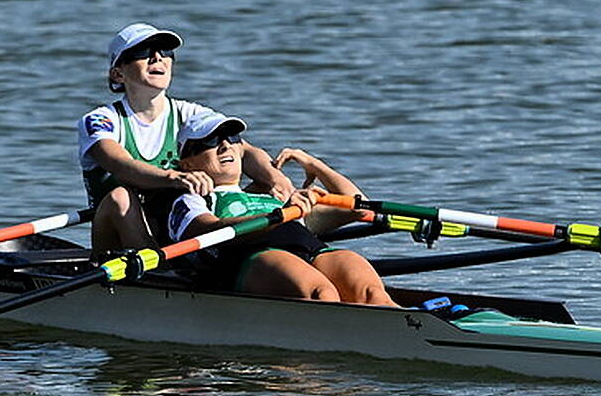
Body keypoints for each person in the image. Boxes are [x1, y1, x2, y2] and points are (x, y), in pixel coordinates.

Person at [77, 23, 294, 258]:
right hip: (119, 241)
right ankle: (161, 276)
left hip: (176, 230)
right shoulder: (101, 120)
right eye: (143, 52)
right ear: (118, 73)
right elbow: (121, 165)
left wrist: (275, 179)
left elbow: (244, 151)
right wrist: (175, 178)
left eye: (165, 52)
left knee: (256, 184)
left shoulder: (189, 114)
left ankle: (262, 251)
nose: (157, 58)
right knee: (120, 198)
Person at [166, 112, 397, 306]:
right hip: (253, 259)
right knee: (322, 294)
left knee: (373, 294)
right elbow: (206, 230)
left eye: (232, 137)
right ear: (187, 163)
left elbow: (357, 205)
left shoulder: (272, 197)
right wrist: (278, 216)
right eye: (210, 141)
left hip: (309, 250)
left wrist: (313, 164)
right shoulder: (192, 199)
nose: (225, 145)